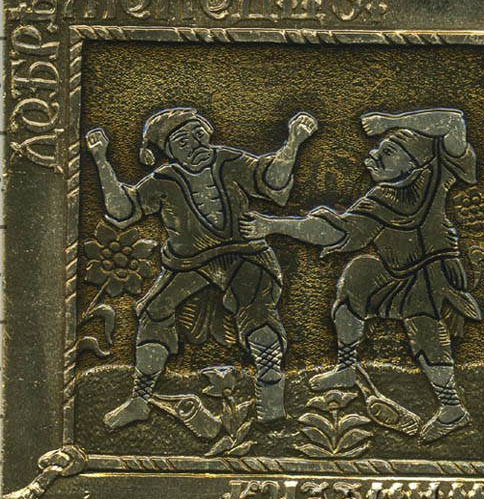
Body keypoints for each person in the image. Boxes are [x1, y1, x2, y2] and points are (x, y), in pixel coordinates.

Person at [240, 109, 481, 443]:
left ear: (412, 163)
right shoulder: (379, 198)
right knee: (358, 275)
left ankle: (452, 408)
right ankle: (347, 367)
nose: (374, 154)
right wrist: (275, 225)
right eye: (378, 149)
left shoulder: (438, 171)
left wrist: (391, 123)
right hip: (393, 272)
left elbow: (453, 121)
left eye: (388, 151)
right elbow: (337, 231)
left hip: (433, 273)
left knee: (426, 333)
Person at [86, 107, 318, 429]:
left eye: (198, 134)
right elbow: (123, 210)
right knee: (153, 311)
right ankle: (140, 401)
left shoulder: (229, 160)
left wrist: (294, 141)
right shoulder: (164, 180)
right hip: (187, 263)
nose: (196, 144)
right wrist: (101, 160)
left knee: (258, 311)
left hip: (244, 254)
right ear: (168, 150)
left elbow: (271, 180)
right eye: (183, 141)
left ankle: (271, 402)